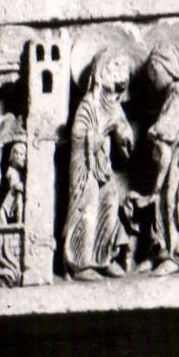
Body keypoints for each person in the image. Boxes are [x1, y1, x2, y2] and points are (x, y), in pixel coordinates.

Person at [63, 49, 135, 278]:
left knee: (111, 200)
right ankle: (81, 263)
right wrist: (104, 130)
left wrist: (125, 136)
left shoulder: (114, 105)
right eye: (113, 67)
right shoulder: (88, 104)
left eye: (122, 69)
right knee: (89, 204)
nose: (118, 74)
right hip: (85, 166)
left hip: (103, 168)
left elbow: (124, 130)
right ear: (100, 72)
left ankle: (104, 257)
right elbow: (78, 136)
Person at [146, 45, 179, 269]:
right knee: (160, 200)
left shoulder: (178, 94)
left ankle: (177, 254)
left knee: (173, 201)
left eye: (154, 71)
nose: (152, 77)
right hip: (171, 160)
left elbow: (167, 127)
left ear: (169, 67)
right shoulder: (173, 93)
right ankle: (161, 251)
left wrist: (153, 131)